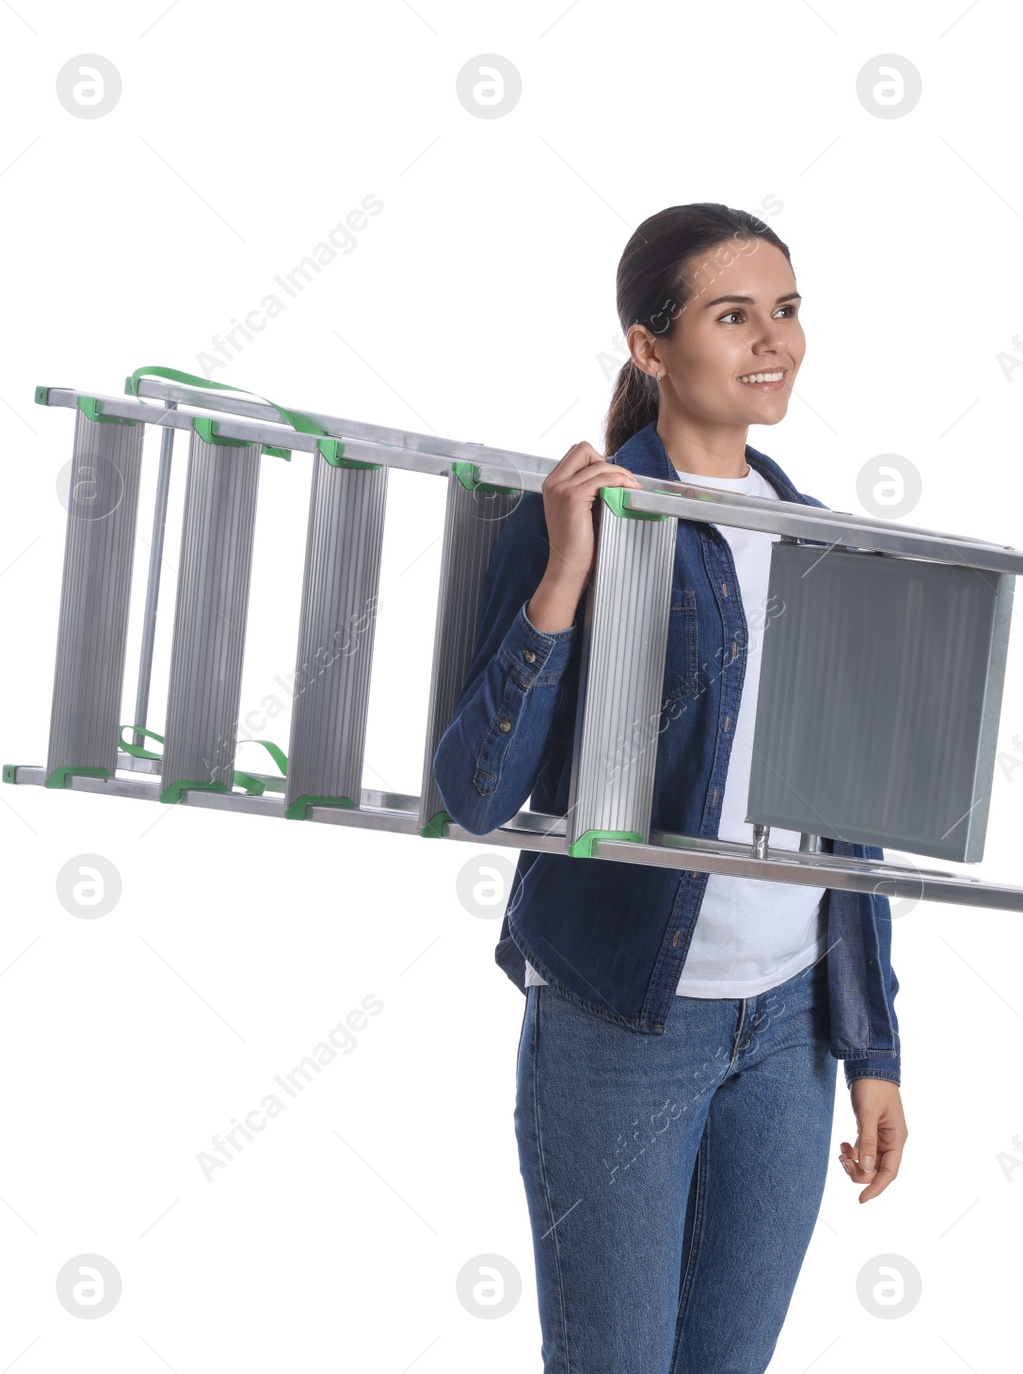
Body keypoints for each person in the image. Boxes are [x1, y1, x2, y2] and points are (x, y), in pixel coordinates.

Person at [432, 201, 907, 1373]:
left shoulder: (817, 538)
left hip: (790, 1025)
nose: (771, 343)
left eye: (786, 311)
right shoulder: (581, 513)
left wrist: (872, 1046)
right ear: (649, 349)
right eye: (731, 315)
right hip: (621, 1019)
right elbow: (476, 792)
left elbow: (848, 828)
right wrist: (564, 573)